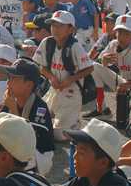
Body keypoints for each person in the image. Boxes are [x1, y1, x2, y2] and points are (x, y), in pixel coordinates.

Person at [37, 9, 94, 140]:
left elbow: (90, 68)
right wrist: (51, 78)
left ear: (71, 30)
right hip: (54, 91)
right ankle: (62, 120)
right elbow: (43, 67)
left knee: (58, 135)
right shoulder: (47, 43)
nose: (55, 29)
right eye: (53, 25)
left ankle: (74, 124)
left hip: (71, 93)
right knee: (35, 120)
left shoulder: (75, 47)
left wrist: (71, 79)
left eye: (60, 26)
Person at [0, 57, 55, 175]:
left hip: (39, 156)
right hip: (22, 148)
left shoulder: (39, 106)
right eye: (8, 77)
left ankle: (23, 180)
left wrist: (13, 109)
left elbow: (27, 138)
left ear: (29, 85)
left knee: (14, 153)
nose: (8, 82)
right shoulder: (12, 100)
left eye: (14, 78)